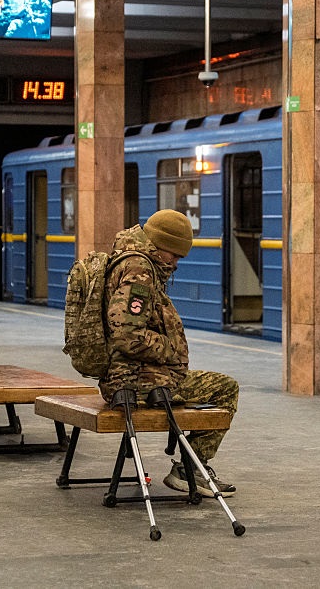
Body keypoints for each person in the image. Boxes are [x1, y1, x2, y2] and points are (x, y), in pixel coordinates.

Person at [101, 209, 239, 497]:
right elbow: (127, 335)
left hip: (126, 378)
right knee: (225, 388)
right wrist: (171, 348)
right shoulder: (140, 271)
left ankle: (190, 467)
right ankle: (191, 469)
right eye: (173, 255)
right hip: (139, 382)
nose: (175, 264)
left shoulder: (127, 258)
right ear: (158, 244)